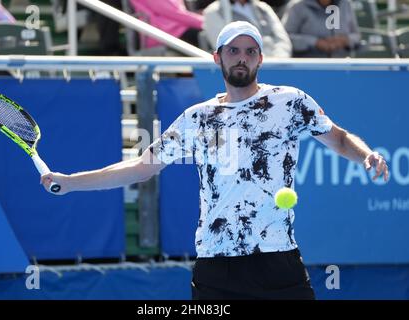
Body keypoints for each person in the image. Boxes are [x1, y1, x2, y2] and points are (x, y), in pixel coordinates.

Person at [41, 21, 389, 300]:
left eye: (251, 51)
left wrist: (366, 155)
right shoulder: (197, 118)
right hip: (216, 264)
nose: (242, 57)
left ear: (260, 59)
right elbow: (140, 167)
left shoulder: (291, 102)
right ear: (217, 57)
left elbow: (338, 137)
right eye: (234, 51)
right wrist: (71, 182)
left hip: (278, 259)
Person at [203, 0, 292, 57]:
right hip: (246, 68)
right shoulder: (213, 12)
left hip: (277, 64)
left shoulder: (263, 8)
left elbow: (282, 39)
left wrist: (278, 59)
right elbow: (224, 47)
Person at [281, 0, 360, 58]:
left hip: (340, 67)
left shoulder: (346, 4)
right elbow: (285, 38)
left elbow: (356, 36)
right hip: (307, 68)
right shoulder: (297, 6)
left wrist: (345, 40)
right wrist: (315, 42)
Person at [129, 0, 203, 49]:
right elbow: (172, 12)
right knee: (205, 36)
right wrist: (204, 22)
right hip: (162, 34)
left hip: (178, 28)